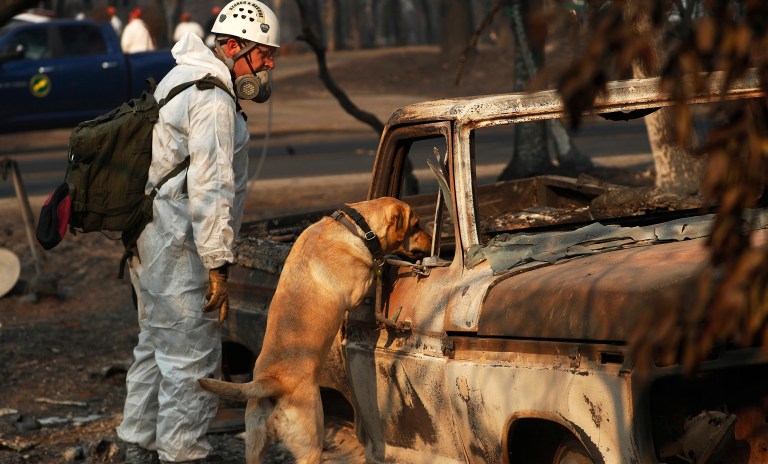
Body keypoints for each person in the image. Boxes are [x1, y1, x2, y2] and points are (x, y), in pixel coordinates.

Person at [116, 0, 278, 462]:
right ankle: (182, 453)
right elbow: (210, 189)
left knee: (156, 346)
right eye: (262, 53)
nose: (268, 64)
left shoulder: (184, 76)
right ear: (231, 46)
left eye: (271, 55)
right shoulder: (211, 98)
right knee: (192, 359)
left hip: (151, 239)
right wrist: (217, 265)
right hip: (177, 247)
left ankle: (136, 444)